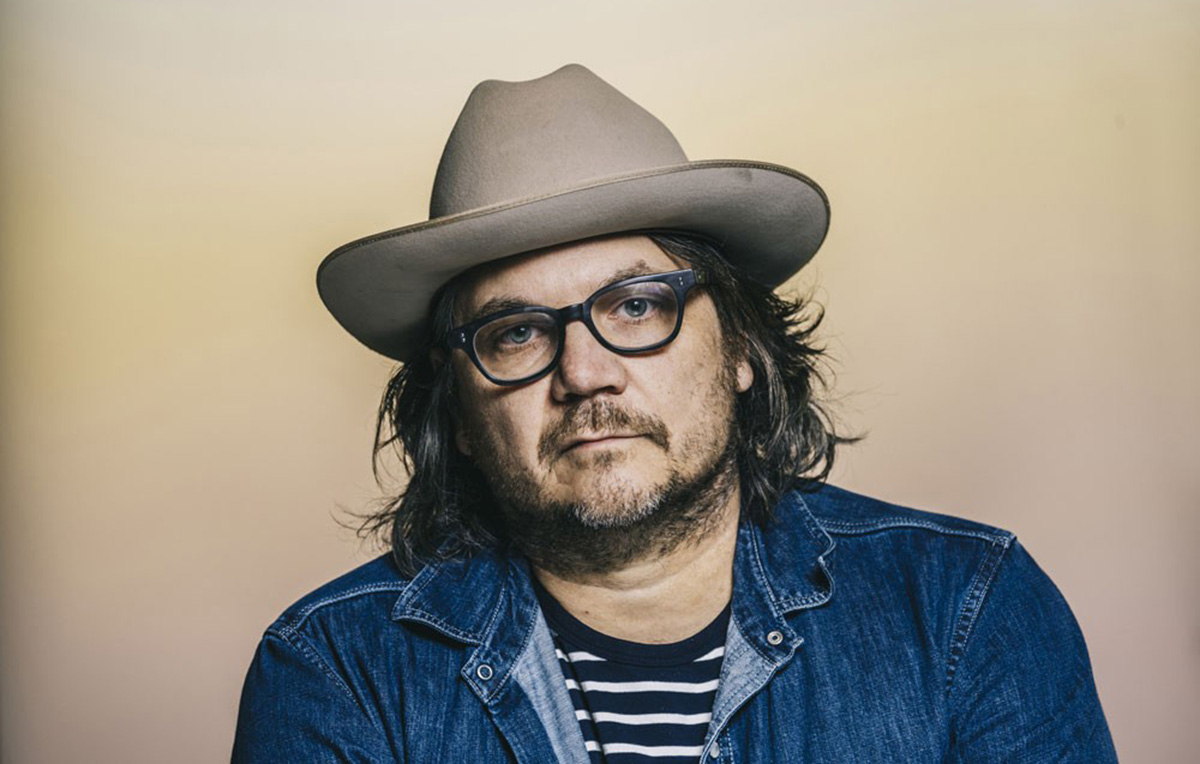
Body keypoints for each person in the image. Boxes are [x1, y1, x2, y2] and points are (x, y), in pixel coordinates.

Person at [232, 64, 1117, 763]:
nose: (585, 374)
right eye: (516, 333)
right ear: (458, 411)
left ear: (739, 347)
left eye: (635, 306)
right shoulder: (333, 668)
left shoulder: (964, 608)